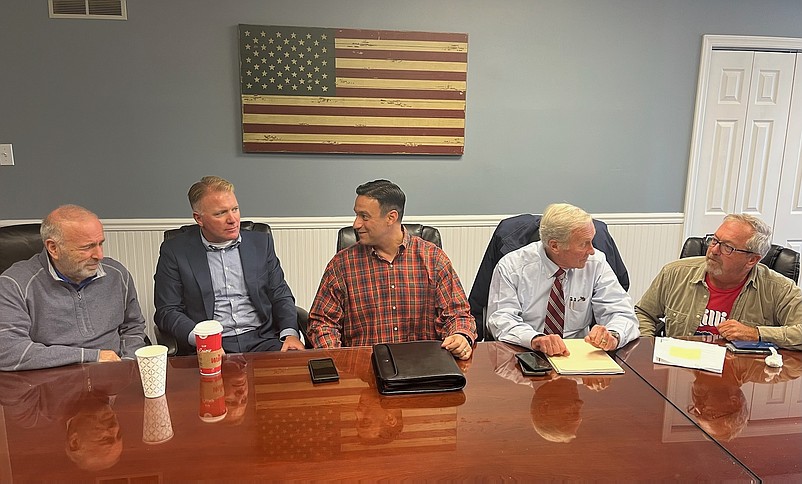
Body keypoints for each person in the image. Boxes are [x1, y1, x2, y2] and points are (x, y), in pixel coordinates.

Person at [307, 179, 477, 360]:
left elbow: (458, 315)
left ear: (391, 217)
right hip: (363, 372)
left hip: (423, 369)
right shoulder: (341, 265)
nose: (356, 224)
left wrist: (460, 336)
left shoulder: (433, 259)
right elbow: (322, 323)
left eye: (364, 216)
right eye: (357, 215)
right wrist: (339, 361)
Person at [154, 176, 304, 354]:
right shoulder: (175, 251)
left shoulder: (260, 243)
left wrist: (290, 333)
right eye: (220, 213)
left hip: (263, 339)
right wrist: (204, 339)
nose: (233, 219)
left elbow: (280, 294)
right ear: (199, 219)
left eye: (235, 209)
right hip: (209, 345)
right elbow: (167, 310)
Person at [0, 205, 147, 371]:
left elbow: (133, 326)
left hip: (112, 376)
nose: (99, 255)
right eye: (87, 247)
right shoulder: (15, 283)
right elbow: (7, 350)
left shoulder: (117, 274)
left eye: (100, 244)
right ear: (53, 248)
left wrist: (126, 363)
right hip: (50, 380)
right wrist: (91, 356)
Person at [487, 203, 639, 356]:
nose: (591, 251)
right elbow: (501, 319)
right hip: (526, 353)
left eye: (591, 241)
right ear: (555, 246)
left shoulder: (596, 263)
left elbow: (622, 313)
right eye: (583, 244)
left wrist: (613, 335)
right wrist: (535, 339)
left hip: (578, 355)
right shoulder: (512, 267)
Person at [636, 214, 802, 350]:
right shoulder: (674, 273)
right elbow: (643, 313)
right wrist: (649, 349)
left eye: (727, 247)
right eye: (714, 241)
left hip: (742, 375)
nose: (714, 250)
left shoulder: (778, 289)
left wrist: (756, 333)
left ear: (752, 260)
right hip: (681, 370)